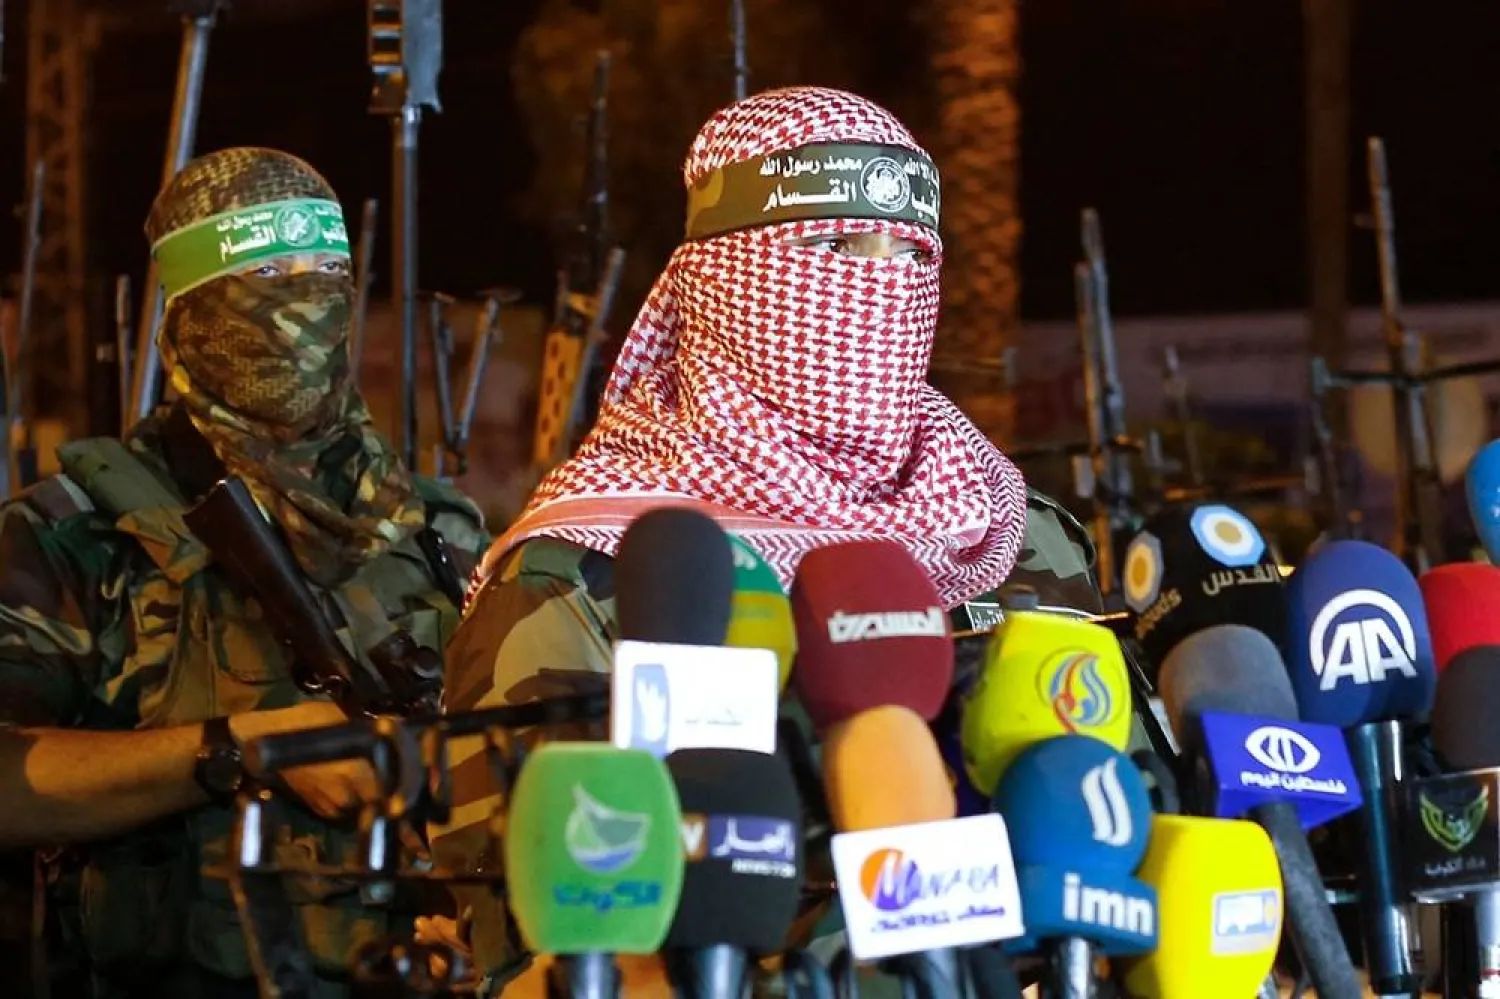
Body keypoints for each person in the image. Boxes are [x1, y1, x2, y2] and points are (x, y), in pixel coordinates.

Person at [430, 87, 1102, 994]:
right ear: (724, 284)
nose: (879, 279)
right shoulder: (590, 572)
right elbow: (530, 951)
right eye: (836, 246)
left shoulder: (1016, 532)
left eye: (908, 250)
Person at [0, 147, 490, 999]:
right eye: (265, 277)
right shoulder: (76, 531)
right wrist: (242, 748)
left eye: (322, 271)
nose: (300, 299)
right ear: (189, 311)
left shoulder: (433, 527)